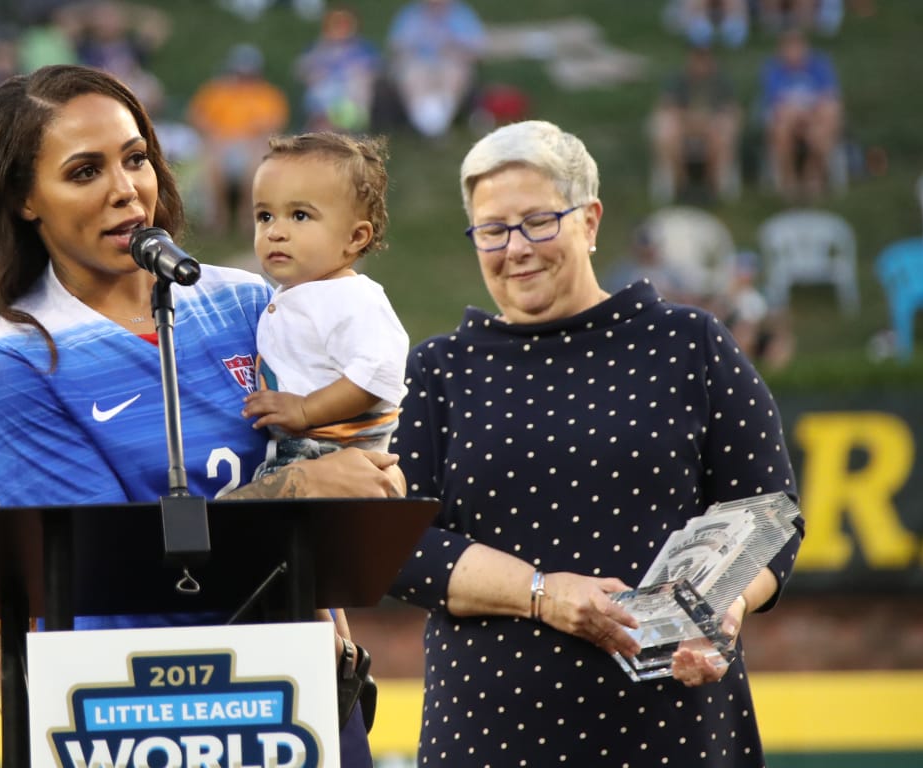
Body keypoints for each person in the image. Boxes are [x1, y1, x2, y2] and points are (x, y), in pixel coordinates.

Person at [0, 64, 400, 765]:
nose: (126, 190)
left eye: (136, 158)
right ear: (25, 199)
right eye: (85, 171)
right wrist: (294, 494)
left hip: (300, 697)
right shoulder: (13, 360)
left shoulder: (252, 303)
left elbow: (349, 464)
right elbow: (102, 566)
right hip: (142, 710)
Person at [387, 119, 806, 766]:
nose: (516, 247)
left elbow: (769, 513)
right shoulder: (441, 369)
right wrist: (542, 592)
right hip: (493, 731)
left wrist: (728, 605)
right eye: (493, 230)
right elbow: (398, 544)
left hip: (672, 725)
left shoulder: (690, 344)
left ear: (590, 219)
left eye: (538, 221)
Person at [242, 132, 408, 479]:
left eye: (300, 216)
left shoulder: (353, 298)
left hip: (340, 452)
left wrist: (306, 409)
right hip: (298, 453)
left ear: (355, 237)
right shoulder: (293, 295)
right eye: (265, 216)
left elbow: (379, 372)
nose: (275, 232)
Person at [186, 44, 289, 234]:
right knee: (212, 158)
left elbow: (272, 127)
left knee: (258, 157)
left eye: (248, 74)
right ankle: (218, 218)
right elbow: (197, 117)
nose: (243, 78)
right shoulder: (217, 91)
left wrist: (253, 136)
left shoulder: (267, 95)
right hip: (221, 145)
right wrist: (213, 134)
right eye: (240, 73)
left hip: (252, 146)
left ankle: (248, 218)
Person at [650, 44, 741, 203]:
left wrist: (708, 121)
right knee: (669, 134)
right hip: (684, 126)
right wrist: (691, 119)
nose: (700, 65)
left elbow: (731, 110)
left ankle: (711, 186)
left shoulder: (720, 82)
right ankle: (681, 184)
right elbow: (667, 106)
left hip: (711, 127)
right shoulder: (678, 80)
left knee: (719, 135)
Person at [759, 28, 842, 200]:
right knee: (782, 126)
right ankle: (789, 180)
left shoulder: (819, 66)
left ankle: (812, 175)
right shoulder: (774, 69)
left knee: (825, 121)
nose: (793, 52)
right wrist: (799, 115)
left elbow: (829, 97)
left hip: (814, 120)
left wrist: (808, 116)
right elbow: (776, 103)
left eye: (797, 47)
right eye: (789, 48)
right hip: (787, 121)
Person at [385, 0, 486, 139]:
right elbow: (397, 47)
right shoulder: (411, 15)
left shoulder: (461, 14)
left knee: (453, 72)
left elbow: (477, 48)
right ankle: (427, 121)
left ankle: (438, 120)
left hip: (450, 63)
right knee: (414, 74)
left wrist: (455, 50)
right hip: (419, 64)